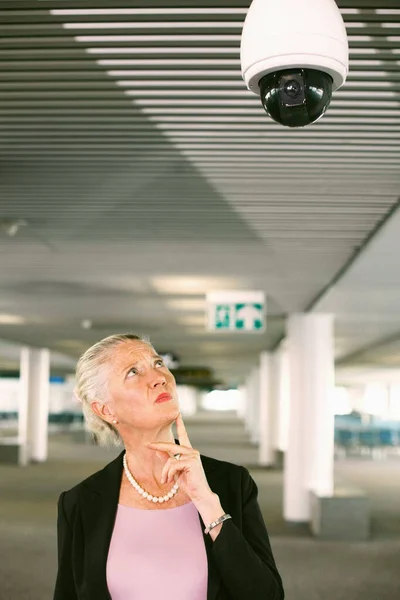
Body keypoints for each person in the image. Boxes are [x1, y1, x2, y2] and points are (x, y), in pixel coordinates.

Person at [53, 333, 284, 600]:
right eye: (133, 372)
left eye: (158, 363)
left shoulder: (231, 482)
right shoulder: (79, 503)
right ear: (105, 410)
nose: (159, 377)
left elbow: (268, 596)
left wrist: (208, 504)